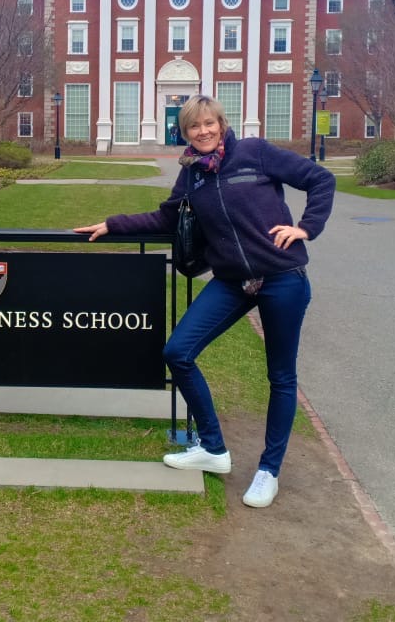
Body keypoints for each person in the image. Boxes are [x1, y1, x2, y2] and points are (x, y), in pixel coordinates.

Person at [74, 95, 335, 508]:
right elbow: (165, 218)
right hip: (233, 281)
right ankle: (214, 449)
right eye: (195, 127)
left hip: (282, 278)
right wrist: (112, 224)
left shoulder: (255, 153)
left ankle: (268, 471)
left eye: (210, 123)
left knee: (280, 377)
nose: (204, 132)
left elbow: (321, 180)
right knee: (178, 351)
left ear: (221, 123)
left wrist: (306, 228)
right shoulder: (192, 174)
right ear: (186, 133)